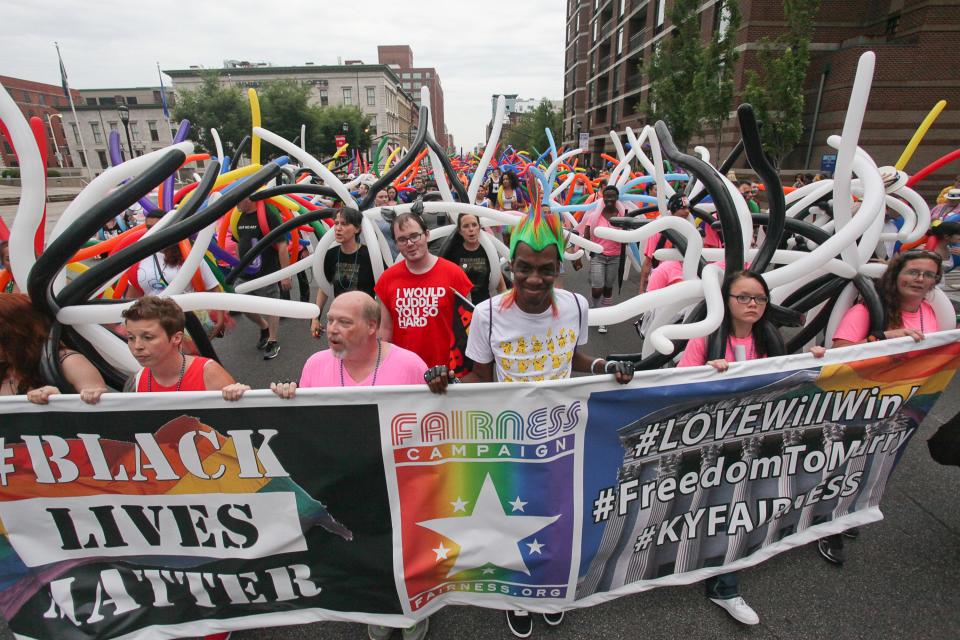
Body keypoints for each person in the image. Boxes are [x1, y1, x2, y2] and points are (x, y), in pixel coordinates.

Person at [425, 208, 633, 637]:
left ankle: (550, 589)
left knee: (558, 519)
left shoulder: (575, 305)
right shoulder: (486, 314)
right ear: (510, 267)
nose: (534, 279)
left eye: (545, 270)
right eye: (524, 268)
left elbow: (574, 359)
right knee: (510, 523)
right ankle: (517, 595)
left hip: (562, 435)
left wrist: (603, 366)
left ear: (559, 269)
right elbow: (480, 378)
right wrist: (446, 380)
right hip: (509, 441)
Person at [261, 291, 430, 640]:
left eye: (343, 322)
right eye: (330, 319)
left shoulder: (409, 364)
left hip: (396, 483)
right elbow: (304, 426)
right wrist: (283, 398)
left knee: (402, 552)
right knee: (361, 554)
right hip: (343, 485)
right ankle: (379, 608)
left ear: (372, 327)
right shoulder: (315, 365)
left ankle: (412, 610)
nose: (331, 328)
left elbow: (432, 425)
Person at [676, 270, 812, 625]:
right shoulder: (706, 338)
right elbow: (677, 386)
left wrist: (818, 361)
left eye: (760, 298)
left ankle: (725, 586)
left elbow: (789, 380)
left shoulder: (770, 341)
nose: (753, 304)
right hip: (708, 442)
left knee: (736, 507)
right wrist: (705, 373)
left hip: (753, 444)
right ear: (725, 300)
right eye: (744, 297)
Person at [120, 296, 245, 640]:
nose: (137, 346)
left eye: (147, 337)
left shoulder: (206, 371)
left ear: (175, 338)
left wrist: (239, 395)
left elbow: (247, 426)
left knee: (215, 558)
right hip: (166, 490)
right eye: (131, 337)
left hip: (212, 488)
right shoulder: (137, 380)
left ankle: (221, 622)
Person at [375, 212, 473, 368]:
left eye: (415, 236)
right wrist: (382, 368)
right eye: (402, 239)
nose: (410, 243)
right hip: (404, 370)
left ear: (427, 235)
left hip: (447, 371)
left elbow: (469, 327)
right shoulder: (387, 280)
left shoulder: (454, 275)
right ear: (396, 244)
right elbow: (385, 329)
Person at [0, 293, 107, 405]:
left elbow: (103, 410)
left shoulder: (68, 363)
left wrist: (58, 400)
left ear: (14, 333)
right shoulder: (7, 369)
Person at [234, 196, 291, 360]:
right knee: (241, 303)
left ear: (248, 198)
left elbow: (282, 246)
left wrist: (285, 275)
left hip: (267, 272)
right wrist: (238, 265)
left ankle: (273, 341)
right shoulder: (239, 217)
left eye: (238, 199)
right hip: (245, 273)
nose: (236, 203)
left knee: (271, 305)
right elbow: (239, 242)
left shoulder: (268, 214)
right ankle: (263, 326)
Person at [310, 208, 377, 338]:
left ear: (357, 229)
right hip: (339, 319)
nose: (338, 228)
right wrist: (315, 318)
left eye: (344, 224)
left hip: (365, 321)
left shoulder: (370, 255)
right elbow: (323, 288)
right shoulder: (331, 255)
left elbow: (382, 290)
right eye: (336, 223)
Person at [577, 185, 626, 334]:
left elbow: (628, 236)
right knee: (597, 288)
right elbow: (586, 235)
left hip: (615, 257)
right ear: (603, 198)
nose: (610, 199)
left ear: (617, 198)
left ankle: (602, 319)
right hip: (598, 256)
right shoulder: (594, 216)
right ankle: (594, 308)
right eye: (607, 196)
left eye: (613, 196)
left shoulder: (623, 215)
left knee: (608, 288)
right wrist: (580, 251)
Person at [443, 213, 505, 305]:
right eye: (466, 226)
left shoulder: (489, 250)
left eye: (474, 225)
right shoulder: (453, 252)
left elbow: (500, 285)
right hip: (461, 307)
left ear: (479, 228)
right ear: (460, 231)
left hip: (484, 306)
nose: (471, 229)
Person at [639, 193, 692, 293]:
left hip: (682, 280)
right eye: (683, 208)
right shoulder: (658, 230)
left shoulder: (689, 231)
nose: (687, 211)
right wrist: (641, 289)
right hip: (660, 280)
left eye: (688, 208)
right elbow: (648, 262)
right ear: (674, 209)